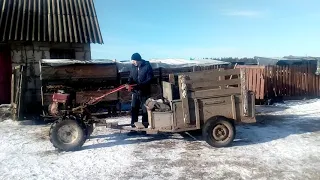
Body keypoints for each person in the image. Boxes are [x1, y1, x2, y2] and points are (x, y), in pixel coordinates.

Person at [126, 53, 154, 133]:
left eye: (134, 61)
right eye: (132, 61)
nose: (133, 62)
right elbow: (130, 77)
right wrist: (128, 83)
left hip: (144, 92)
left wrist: (141, 85)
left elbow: (150, 79)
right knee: (134, 109)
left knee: (145, 111)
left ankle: (144, 129)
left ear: (139, 60)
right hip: (135, 92)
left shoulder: (147, 66)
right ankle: (133, 129)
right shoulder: (133, 67)